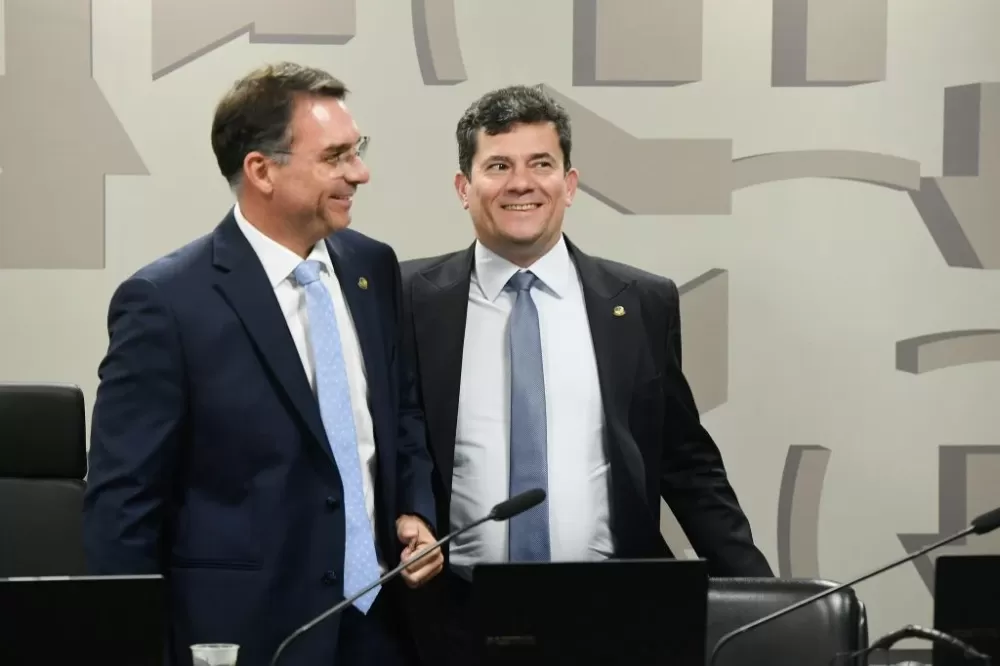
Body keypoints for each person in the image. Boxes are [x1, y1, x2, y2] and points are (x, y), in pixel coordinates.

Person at [399, 84, 773, 665]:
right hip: (453, 618)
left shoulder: (640, 302)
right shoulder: (407, 300)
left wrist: (766, 599)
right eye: (498, 165)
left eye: (541, 164)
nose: (521, 183)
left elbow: (686, 461)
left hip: (612, 614)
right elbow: (390, 444)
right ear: (463, 187)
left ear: (569, 185)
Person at [82, 62, 442, 666]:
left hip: (380, 630)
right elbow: (123, 505)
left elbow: (399, 415)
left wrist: (414, 511)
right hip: (243, 638)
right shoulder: (168, 302)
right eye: (335, 156)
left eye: (358, 151)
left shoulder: (373, 267)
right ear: (261, 170)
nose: (360, 172)